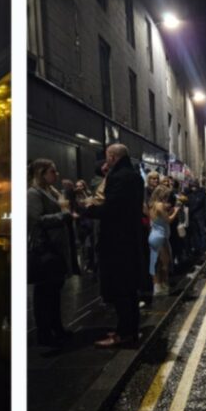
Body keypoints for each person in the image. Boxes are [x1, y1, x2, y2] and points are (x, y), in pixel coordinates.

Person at [83, 144, 144, 347]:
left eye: (107, 157)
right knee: (129, 289)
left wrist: (89, 210)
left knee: (121, 289)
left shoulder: (119, 177)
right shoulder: (134, 175)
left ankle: (125, 333)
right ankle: (128, 329)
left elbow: (112, 209)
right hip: (129, 239)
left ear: (112, 157)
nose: (106, 161)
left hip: (118, 242)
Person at [28, 159, 73, 346]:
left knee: (54, 292)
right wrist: (63, 215)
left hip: (55, 248)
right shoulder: (33, 193)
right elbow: (36, 219)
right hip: (44, 250)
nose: (57, 174)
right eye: (53, 171)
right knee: (44, 293)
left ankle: (57, 327)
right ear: (41, 173)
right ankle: (44, 333)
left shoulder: (50, 191)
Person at [148, 187, 179, 295]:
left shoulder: (152, 205)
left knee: (156, 264)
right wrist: (175, 211)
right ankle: (163, 287)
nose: (167, 199)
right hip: (161, 237)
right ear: (162, 196)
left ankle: (157, 287)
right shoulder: (160, 205)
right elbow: (168, 220)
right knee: (165, 263)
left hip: (153, 235)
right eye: (166, 196)